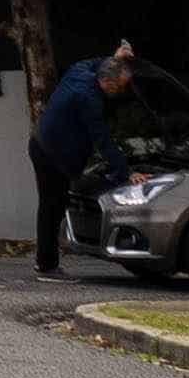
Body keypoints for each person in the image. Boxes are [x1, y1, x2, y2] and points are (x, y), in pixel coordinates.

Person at [26, 37, 139, 280]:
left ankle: (45, 262)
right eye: (118, 86)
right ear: (106, 81)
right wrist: (126, 172)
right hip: (51, 155)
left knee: (52, 205)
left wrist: (117, 57)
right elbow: (103, 142)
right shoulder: (90, 101)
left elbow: (97, 62)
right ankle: (46, 267)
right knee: (51, 207)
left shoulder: (81, 70)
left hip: (41, 143)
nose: (121, 91)